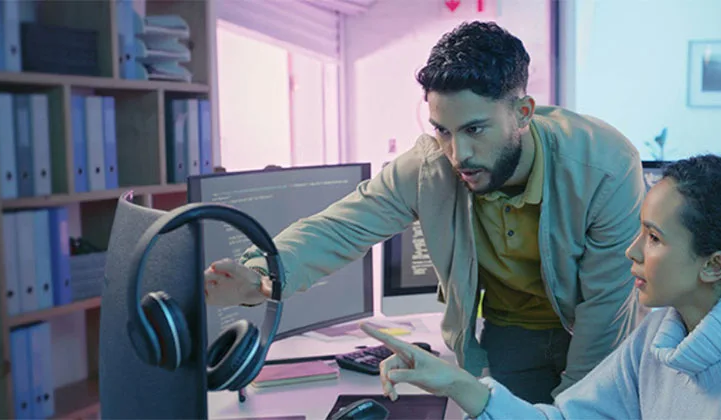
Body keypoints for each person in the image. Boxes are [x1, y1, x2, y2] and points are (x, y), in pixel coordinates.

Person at [204, 21, 646, 403]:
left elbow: (605, 310)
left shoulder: (604, 167)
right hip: (511, 334)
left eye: (475, 129)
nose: (459, 154)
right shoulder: (430, 165)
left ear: (523, 113)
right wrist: (262, 274)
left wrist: (574, 405)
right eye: (443, 130)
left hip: (595, 332)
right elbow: (339, 228)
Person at [359, 154, 721, 419]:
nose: (632, 251)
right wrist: (457, 384)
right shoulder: (660, 337)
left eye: (654, 238)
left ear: (714, 265)